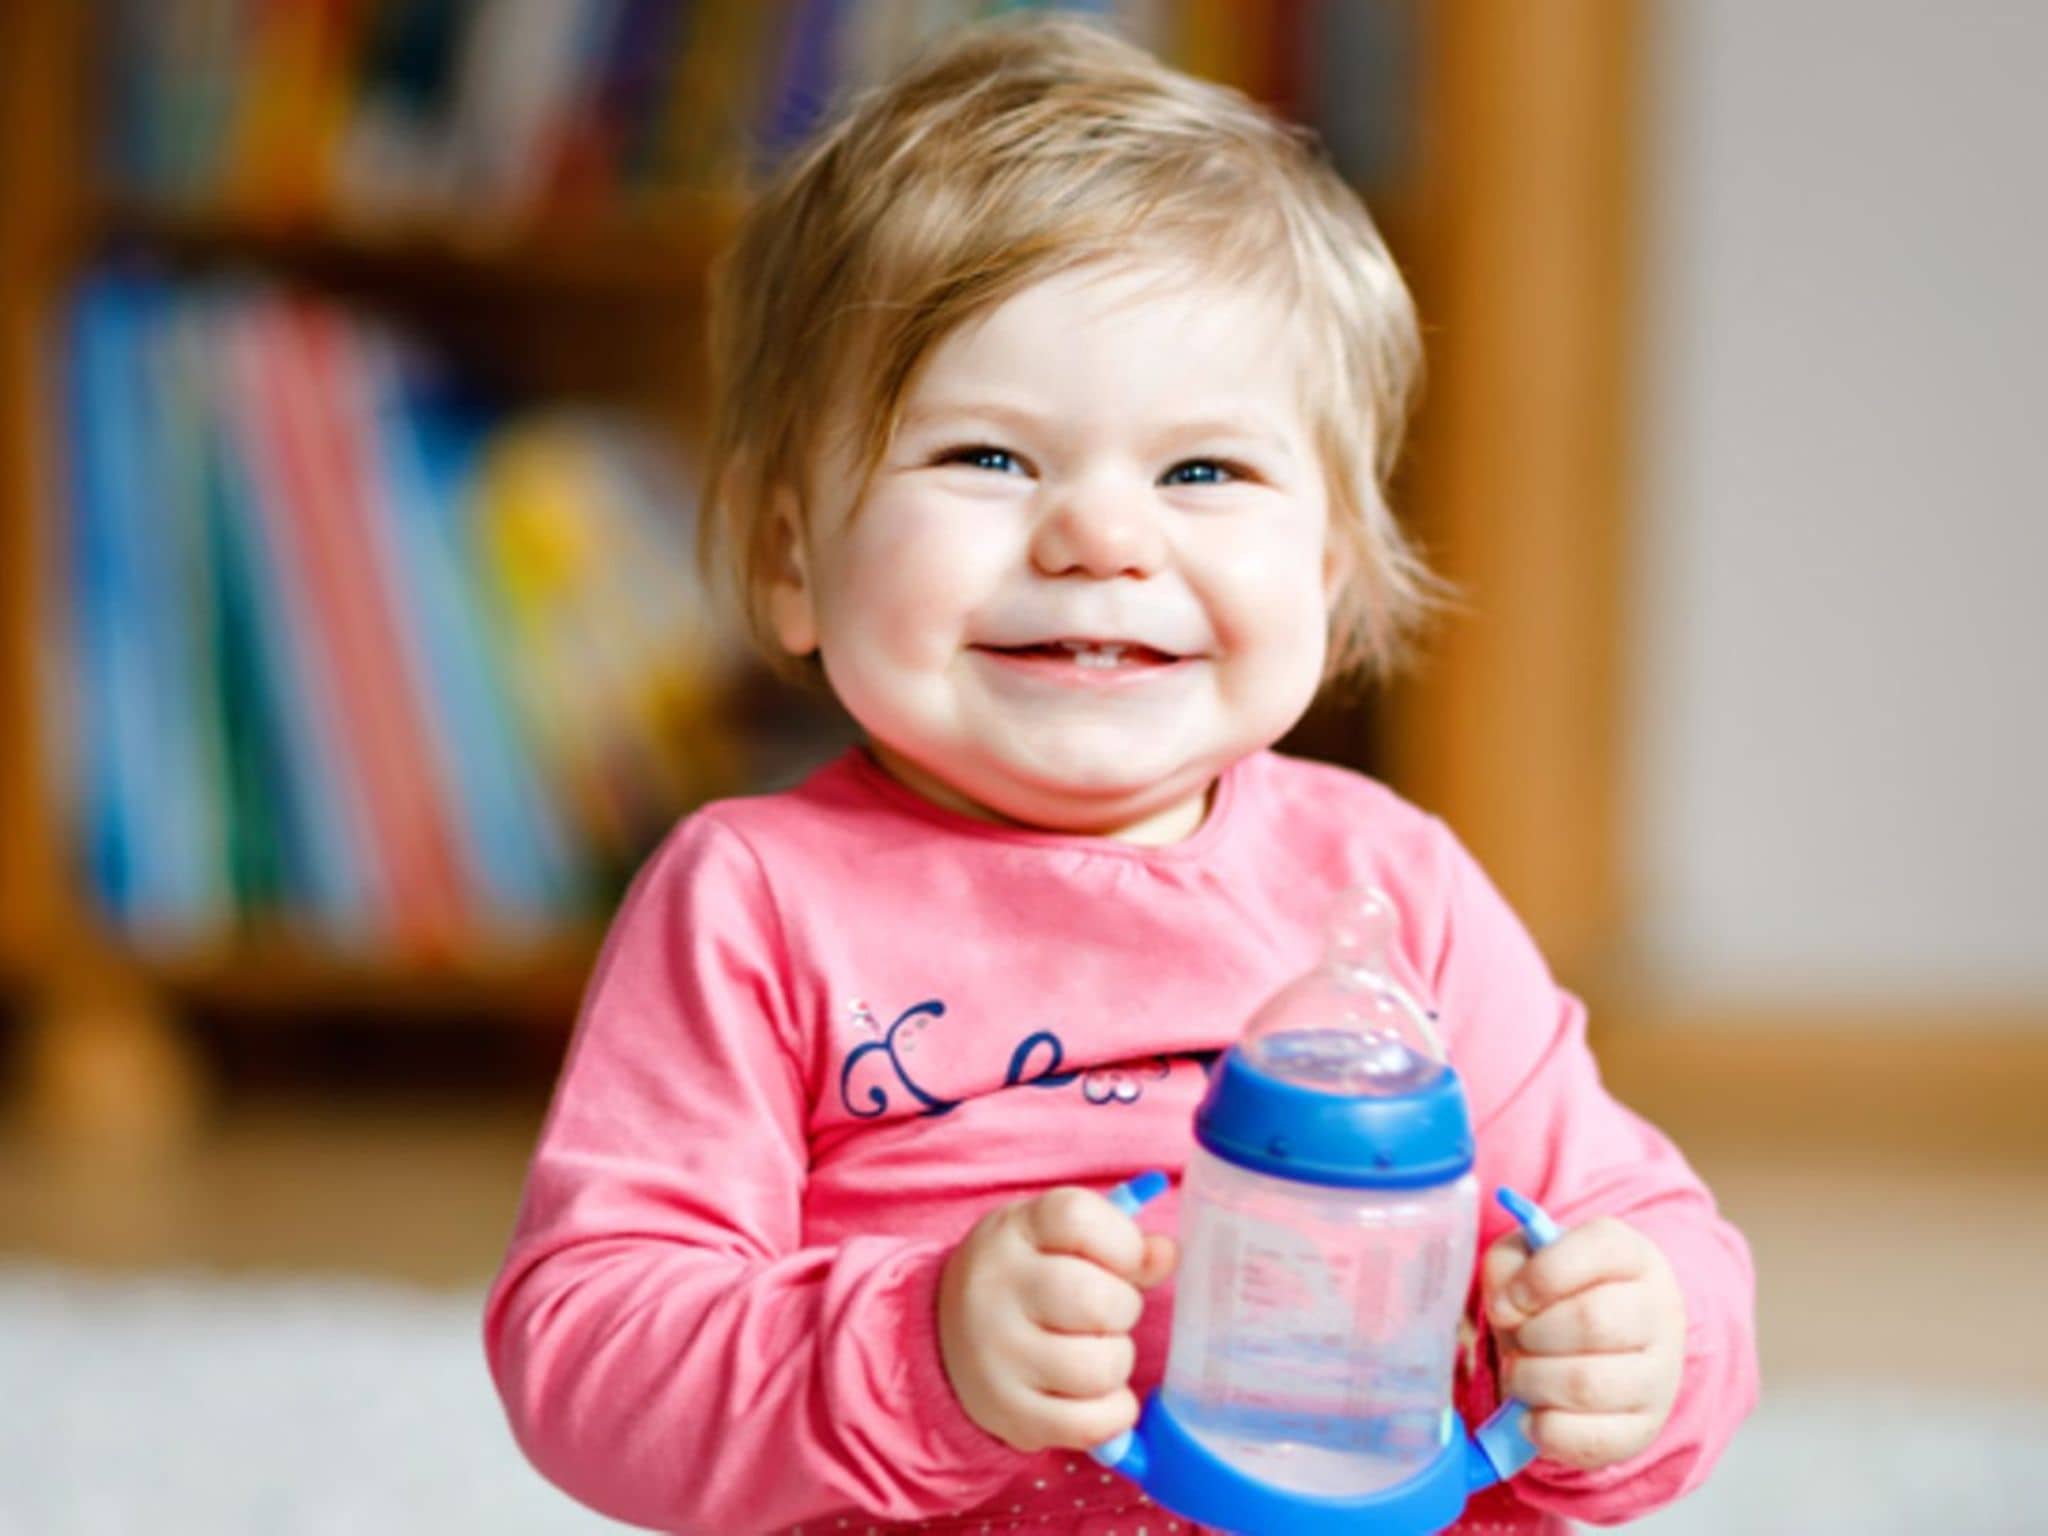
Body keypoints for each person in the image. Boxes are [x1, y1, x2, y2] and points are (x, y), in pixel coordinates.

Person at [483, 17, 1757, 1534]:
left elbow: (1637, 1228)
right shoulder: (752, 903)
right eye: (988, 459)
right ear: (790, 558)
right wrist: (920, 1351)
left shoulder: (1390, 888)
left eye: (1203, 472)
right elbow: (588, 1349)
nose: (1102, 536)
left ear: (1333, 578)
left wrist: (1640, 1348)